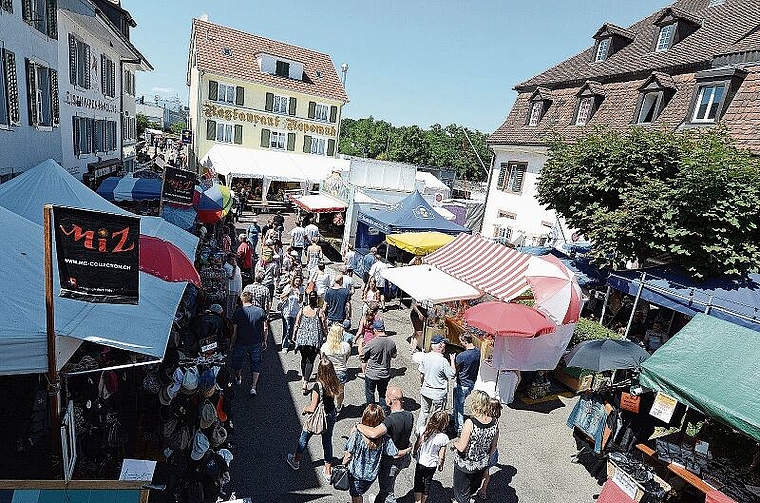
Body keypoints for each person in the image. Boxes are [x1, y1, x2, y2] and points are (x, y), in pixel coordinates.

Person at [356, 386, 414, 503]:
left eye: (386, 396)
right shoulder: (409, 415)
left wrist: (358, 425)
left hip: (390, 462)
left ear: (390, 401)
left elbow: (373, 434)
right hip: (404, 459)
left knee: (387, 492)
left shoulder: (390, 421)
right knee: (387, 487)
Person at [286, 359, 341, 480]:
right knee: (327, 441)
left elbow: (312, 408)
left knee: (304, 437)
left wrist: (305, 409)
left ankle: (296, 460)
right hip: (330, 414)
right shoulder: (334, 381)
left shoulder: (318, 386)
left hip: (318, 417)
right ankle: (328, 470)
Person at [342, 405, 401, 503]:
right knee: (360, 492)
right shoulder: (384, 437)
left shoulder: (358, 434)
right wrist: (408, 449)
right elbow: (394, 453)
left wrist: (343, 465)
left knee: (356, 495)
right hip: (371, 474)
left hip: (356, 473)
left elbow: (348, 454)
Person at [451, 390, 499, 503]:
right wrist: (486, 459)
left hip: (465, 465)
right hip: (481, 464)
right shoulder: (495, 422)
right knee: (472, 488)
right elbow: (494, 445)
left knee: (461, 492)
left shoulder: (470, 423)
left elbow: (462, 447)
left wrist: (454, 444)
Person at [416, 335, 456, 434]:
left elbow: (421, 374)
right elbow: (452, 374)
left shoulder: (425, 357)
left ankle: (419, 431)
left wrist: (422, 385)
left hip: (426, 390)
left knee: (424, 412)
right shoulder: (443, 361)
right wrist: (452, 361)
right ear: (441, 346)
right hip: (438, 393)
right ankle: (433, 433)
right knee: (437, 414)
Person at [231, 291, 268, 396]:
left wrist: (232, 343)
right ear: (252, 299)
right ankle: (253, 387)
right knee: (256, 363)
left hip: (241, 342)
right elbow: (265, 328)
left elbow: (234, 332)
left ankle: (239, 378)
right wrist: (264, 340)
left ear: (242, 300)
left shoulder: (238, 313)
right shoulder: (260, 311)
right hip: (256, 342)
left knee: (237, 362)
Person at [412, 411, 450, 503]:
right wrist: (441, 465)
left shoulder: (423, 429)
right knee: (427, 483)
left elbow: (418, 443)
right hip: (432, 464)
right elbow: (442, 455)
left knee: (418, 483)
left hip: (421, 461)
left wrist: (414, 452)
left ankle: (417, 501)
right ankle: (423, 501)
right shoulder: (443, 437)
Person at [293, 291, 327, 393]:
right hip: (314, 339)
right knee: (310, 360)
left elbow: (297, 323)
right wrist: (327, 335)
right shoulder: (319, 311)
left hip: (302, 338)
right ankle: (305, 382)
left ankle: (304, 377)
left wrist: (294, 335)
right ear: (316, 299)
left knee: (303, 358)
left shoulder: (302, 309)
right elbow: (324, 325)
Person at [361, 320, 396, 412]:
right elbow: (394, 355)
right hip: (385, 374)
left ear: (375, 330)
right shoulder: (391, 342)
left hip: (372, 374)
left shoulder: (372, 343)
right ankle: (383, 410)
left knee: (370, 393)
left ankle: (371, 412)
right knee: (382, 393)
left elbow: (362, 356)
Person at [452, 333, 481, 435]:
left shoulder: (461, 356)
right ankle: (455, 418)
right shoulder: (478, 351)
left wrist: (452, 360)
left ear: (465, 342)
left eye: (461, 341)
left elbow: (454, 371)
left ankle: (459, 427)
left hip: (462, 383)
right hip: (471, 383)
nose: (460, 343)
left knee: (459, 406)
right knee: (459, 404)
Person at [475, 398, 503, 500]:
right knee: (486, 474)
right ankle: (483, 490)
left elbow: (493, 445)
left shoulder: (485, 421)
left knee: (480, 474)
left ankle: (478, 491)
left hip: (485, 454)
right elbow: (494, 445)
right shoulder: (495, 422)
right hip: (491, 454)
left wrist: (488, 457)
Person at [320, 324, 351, 412]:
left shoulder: (325, 346)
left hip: (329, 371)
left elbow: (322, 359)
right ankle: (339, 406)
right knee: (340, 391)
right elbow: (347, 358)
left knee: (329, 390)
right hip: (341, 370)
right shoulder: (345, 346)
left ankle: (330, 407)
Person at [279, 275, 304, 353]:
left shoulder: (301, 289)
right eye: (296, 281)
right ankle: (285, 346)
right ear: (293, 281)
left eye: (299, 281)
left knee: (292, 328)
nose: (298, 283)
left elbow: (300, 301)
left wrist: (299, 294)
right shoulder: (288, 287)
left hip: (295, 311)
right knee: (286, 328)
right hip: (286, 311)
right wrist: (288, 291)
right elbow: (281, 296)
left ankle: (289, 340)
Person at [356, 306, 381, 378]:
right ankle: (374, 372)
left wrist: (355, 339)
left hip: (365, 340)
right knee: (374, 357)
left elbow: (360, 331)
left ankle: (364, 373)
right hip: (374, 340)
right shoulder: (377, 319)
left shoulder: (364, 318)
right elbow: (380, 330)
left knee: (364, 358)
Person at [223, 253, 242, 318]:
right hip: (231, 288)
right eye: (232, 260)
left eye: (234, 259)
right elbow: (231, 277)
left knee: (234, 304)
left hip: (236, 288)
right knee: (229, 305)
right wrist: (234, 268)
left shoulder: (234, 264)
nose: (233, 261)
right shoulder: (227, 266)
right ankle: (229, 318)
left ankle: (233, 316)